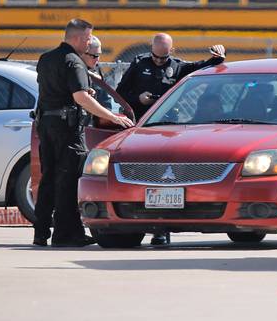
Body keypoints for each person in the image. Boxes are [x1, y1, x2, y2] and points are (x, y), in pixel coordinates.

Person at [116, 32, 226, 245]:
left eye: (163, 58)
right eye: (155, 57)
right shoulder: (139, 65)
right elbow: (120, 93)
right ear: (151, 51)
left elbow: (202, 66)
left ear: (171, 52)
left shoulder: (176, 67)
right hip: (140, 125)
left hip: (167, 129)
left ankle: (160, 231)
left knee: (165, 179)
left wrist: (218, 56)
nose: (159, 62)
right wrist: (137, 99)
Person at [33, 19, 134, 248]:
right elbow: (81, 98)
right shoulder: (74, 62)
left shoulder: (46, 59)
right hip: (67, 129)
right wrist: (113, 117)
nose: (89, 43)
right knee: (67, 181)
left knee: (48, 179)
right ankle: (66, 234)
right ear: (78, 38)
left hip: (46, 125)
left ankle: (40, 232)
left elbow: (56, 91)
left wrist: (80, 93)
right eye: (88, 38)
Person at [81, 35, 112, 110]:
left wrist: (108, 118)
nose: (97, 59)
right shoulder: (71, 71)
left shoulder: (97, 70)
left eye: (99, 55)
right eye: (94, 56)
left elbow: (105, 100)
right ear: (82, 54)